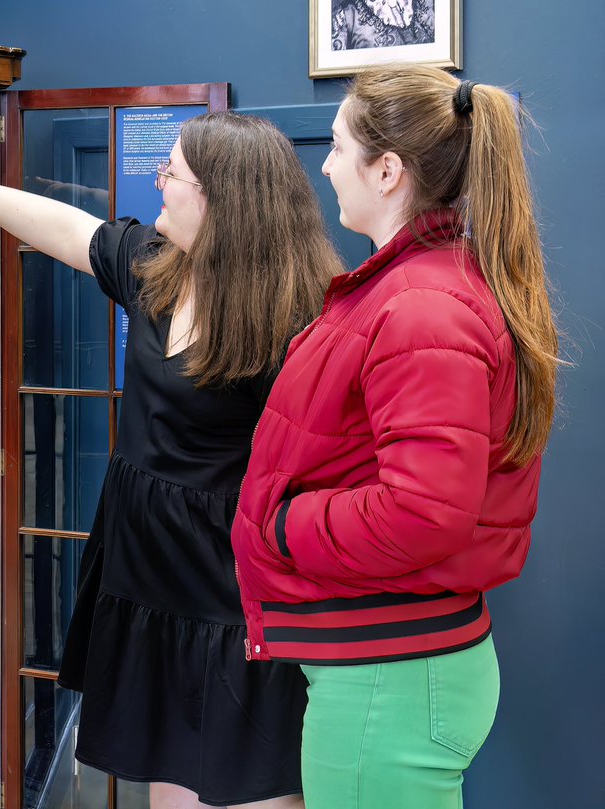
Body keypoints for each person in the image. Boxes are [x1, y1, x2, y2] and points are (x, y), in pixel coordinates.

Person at [0, 110, 343, 809]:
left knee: (249, 781)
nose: (159, 181)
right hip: (145, 575)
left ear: (223, 199)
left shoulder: (299, 316)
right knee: (165, 777)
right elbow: (73, 231)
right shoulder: (157, 272)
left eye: (174, 173)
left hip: (233, 595)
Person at [230, 66, 559, 809]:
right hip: (394, 669)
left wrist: (283, 524)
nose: (324, 164)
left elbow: (421, 514)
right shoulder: (414, 288)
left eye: (339, 147)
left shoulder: (420, 308)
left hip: (390, 678)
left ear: (387, 170)